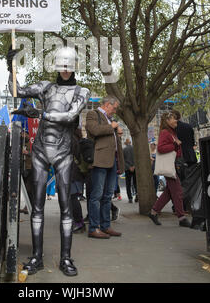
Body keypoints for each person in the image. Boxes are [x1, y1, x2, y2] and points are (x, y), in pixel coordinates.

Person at [7, 46, 90, 276]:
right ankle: (36, 256)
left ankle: (66, 258)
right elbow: (18, 91)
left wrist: (40, 114)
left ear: (73, 67)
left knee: (66, 208)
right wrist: (11, 68)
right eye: (62, 66)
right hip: (41, 150)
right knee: (37, 207)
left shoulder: (82, 91)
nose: (65, 70)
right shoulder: (45, 86)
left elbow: (70, 116)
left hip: (63, 151)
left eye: (68, 66)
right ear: (57, 66)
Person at [85, 96, 124, 239]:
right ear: (107, 105)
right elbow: (93, 130)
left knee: (108, 196)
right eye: (114, 108)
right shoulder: (93, 114)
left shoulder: (109, 119)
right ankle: (93, 228)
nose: (115, 111)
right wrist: (111, 127)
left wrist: (117, 134)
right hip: (99, 160)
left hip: (111, 160)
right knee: (97, 195)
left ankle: (106, 226)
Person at [148, 112, 191, 227]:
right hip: (170, 166)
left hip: (172, 165)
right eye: (173, 119)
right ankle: (181, 218)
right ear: (167, 121)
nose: (176, 120)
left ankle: (153, 212)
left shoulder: (171, 132)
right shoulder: (165, 132)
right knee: (178, 191)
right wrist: (175, 144)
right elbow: (161, 148)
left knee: (169, 192)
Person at [123, 138, 138, 203]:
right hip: (135, 168)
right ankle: (137, 194)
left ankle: (130, 198)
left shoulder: (124, 150)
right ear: (130, 143)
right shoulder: (135, 148)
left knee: (128, 184)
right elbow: (137, 158)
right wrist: (134, 166)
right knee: (135, 183)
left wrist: (129, 167)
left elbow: (123, 160)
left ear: (126, 143)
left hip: (127, 168)